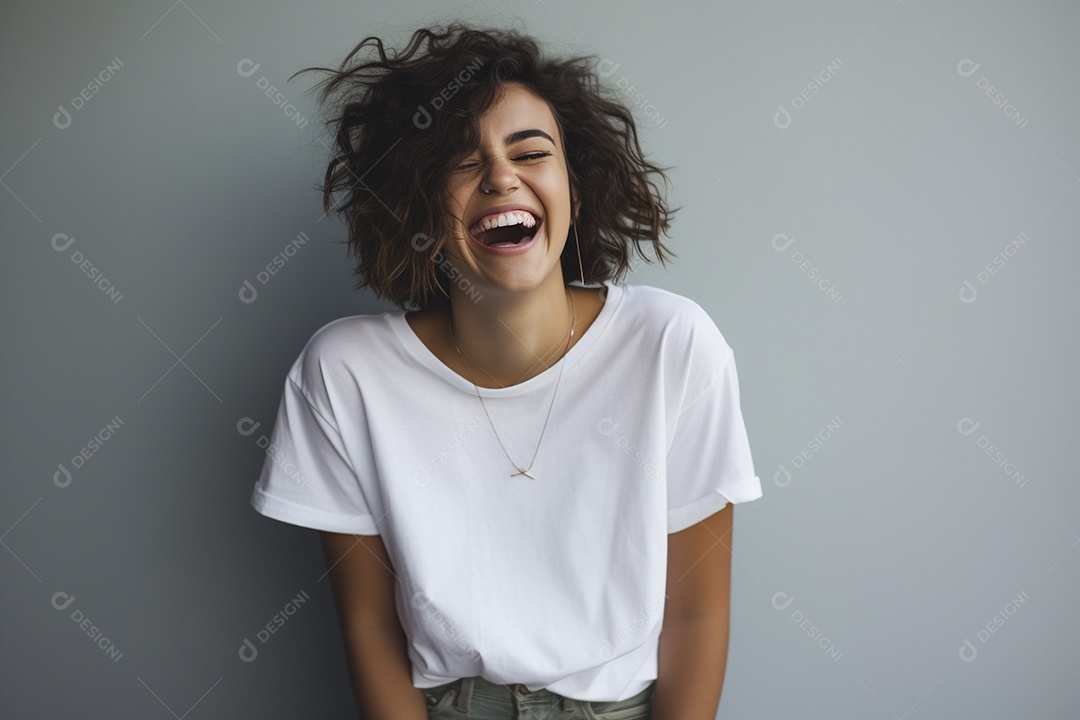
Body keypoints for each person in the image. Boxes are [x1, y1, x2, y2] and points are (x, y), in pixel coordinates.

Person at [249, 22, 763, 720]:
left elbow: (699, 614)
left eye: (530, 152)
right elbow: (369, 627)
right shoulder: (344, 376)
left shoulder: (672, 345)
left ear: (574, 190)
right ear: (419, 205)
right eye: (461, 162)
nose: (499, 176)